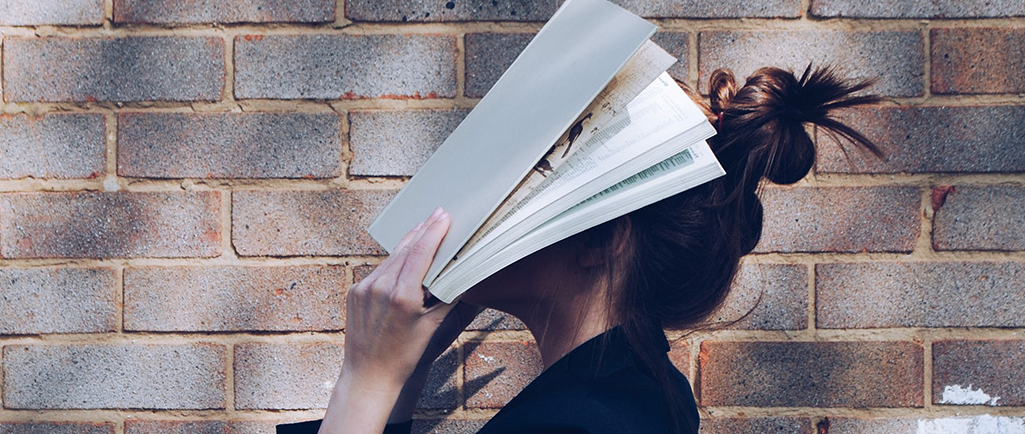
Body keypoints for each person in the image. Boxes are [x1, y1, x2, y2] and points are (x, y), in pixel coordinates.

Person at [279, 65, 886, 434]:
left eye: (530, 177)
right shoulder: (628, 399)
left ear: (601, 234)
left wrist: (364, 380)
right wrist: (402, 381)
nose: (489, 194)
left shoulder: (579, 426)